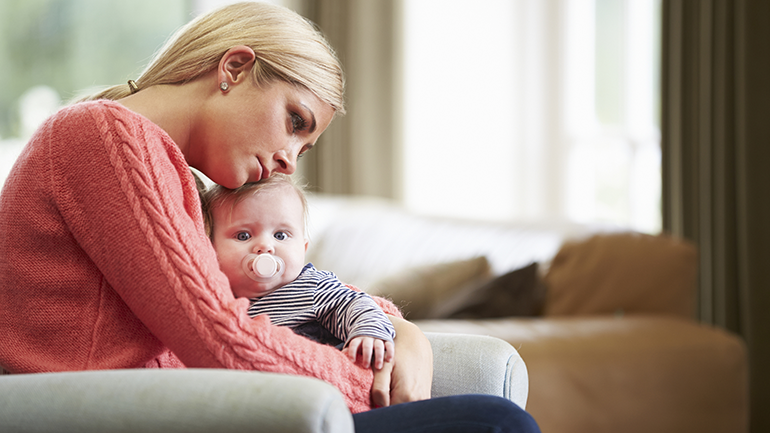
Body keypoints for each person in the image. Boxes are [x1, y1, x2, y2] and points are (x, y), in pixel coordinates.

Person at [0, 2, 540, 431]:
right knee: (492, 421)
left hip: (187, 407)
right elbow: (221, 339)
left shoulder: (174, 176)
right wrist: (371, 375)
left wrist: (393, 326)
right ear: (235, 67)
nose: (288, 158)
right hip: (124, 416)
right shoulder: (102, 139)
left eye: (303, 148)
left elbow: (272, 295)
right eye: (295, 120)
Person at [202, 174, 394, 370]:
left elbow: (355, 303)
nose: (265, 246)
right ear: (211, 247)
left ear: (303, 249)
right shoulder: (215, 299)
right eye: (243, 235)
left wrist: (367, 332)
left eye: (280, 235)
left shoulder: (312, 287)